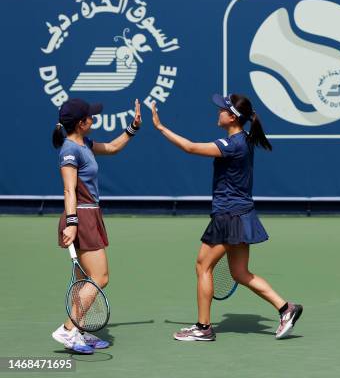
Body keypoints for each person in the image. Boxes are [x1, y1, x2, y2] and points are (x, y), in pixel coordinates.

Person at [149, 94, 303, 341]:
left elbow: (189, 147)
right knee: (240, 273)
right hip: (242, 214)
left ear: (232, 117)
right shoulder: (245, 140)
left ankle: (203, 327)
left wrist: (160, 127)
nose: (218, 112)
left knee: (203, 266)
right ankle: (286, 308)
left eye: (222, 109)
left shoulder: (232, 145)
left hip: (228, 216)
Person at [50, 98, 142, 354]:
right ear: (81, 123)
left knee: (82, 281)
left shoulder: (85, 143)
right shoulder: (70, 150)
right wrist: (72, 223)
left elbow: (112, 147)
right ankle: (68, 329)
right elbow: (69, 190)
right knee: (100, 277)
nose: (94, 118)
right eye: (90, 116)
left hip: (89, 216)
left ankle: (77, 330)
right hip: (81, 216)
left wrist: (132, 128)